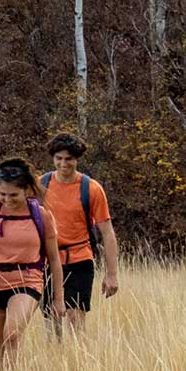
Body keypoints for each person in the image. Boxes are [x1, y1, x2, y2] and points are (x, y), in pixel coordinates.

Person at [0, 157, 63, 371]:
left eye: (14, 195)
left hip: (28, 281)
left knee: (12, 334)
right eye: (2, 194)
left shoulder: (41, 215)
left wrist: (58, 298)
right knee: (3, 344)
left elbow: (54, 259)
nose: (7, 200)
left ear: (26, 191)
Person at [42, 132, 121, 334]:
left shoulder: (91, 189)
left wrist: (111, 274)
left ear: (77, 159)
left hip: (80, 259)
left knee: (75, 319)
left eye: (68, 159)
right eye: (58, 158)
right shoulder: (41, 185)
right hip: (48, 260)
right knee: (52, 321)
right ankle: (55, 362)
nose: (63, 164)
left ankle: (78, 361)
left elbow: (108, 233)